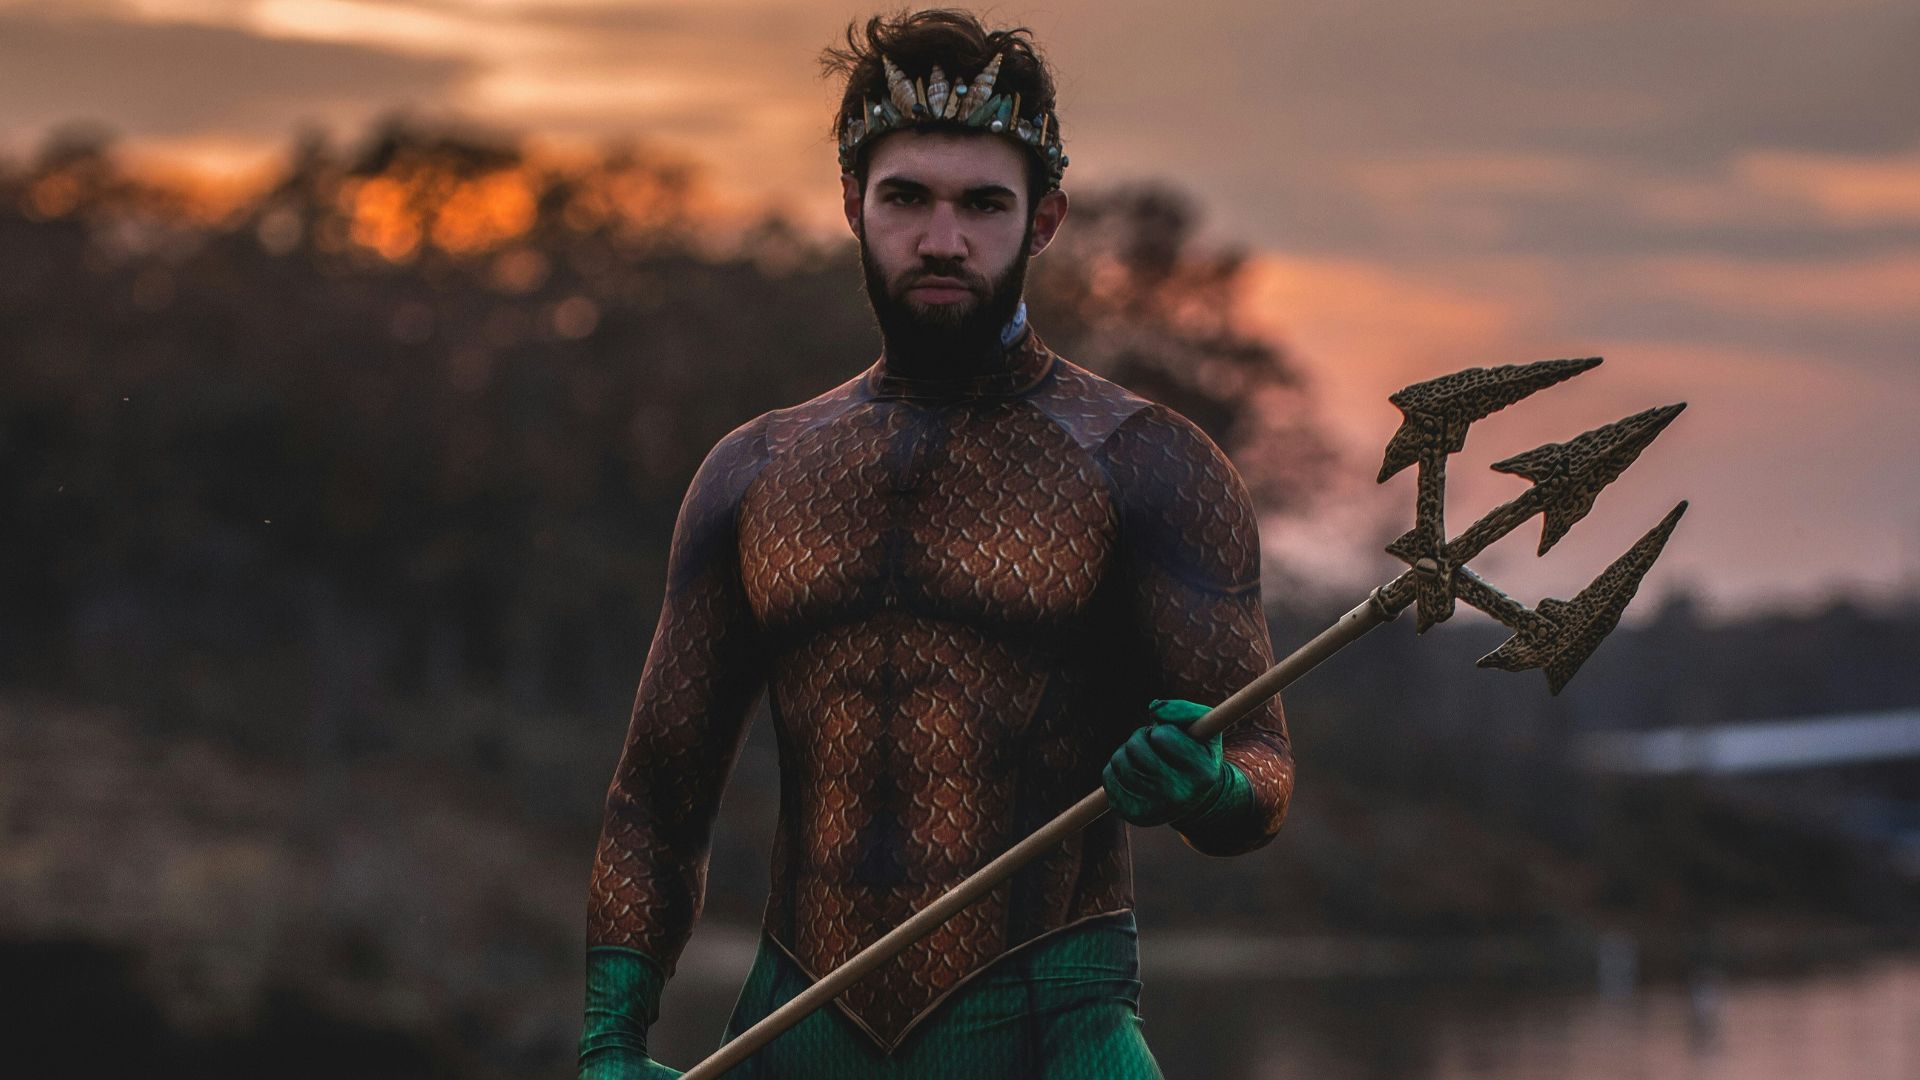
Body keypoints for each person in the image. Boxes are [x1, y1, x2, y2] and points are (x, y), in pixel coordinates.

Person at [576, 10, 1294, 1078]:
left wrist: (1209, 789)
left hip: (1058, 1028)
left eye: (982, 204)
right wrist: (609, 1040)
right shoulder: (753, 472)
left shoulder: (1149, 461)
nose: (942, 238)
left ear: (1042, 221)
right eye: (907, 197)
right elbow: (656, 793)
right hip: (800, 1023)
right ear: (852, 207)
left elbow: (1264, 766)